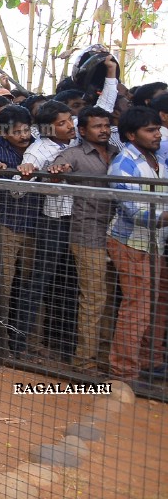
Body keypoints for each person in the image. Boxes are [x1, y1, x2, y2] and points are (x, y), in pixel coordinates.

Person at [52, 106, 119, 372]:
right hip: (87, 232)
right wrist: (58, 168)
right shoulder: (74, 154)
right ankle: (84, 361)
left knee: (110, 297)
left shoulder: (117, 153)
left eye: (106, 125)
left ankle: (105, 357)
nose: (103, 130)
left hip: (115, 233)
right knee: (93, 298)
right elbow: (54, 167)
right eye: (97, 126)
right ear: (82, 131)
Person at [105, 106, 168, 383]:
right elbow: (134, 212)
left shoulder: (158, 161)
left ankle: (150, 361)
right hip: (131, 242)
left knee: (154, 304)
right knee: (138, 306)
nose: (157, 134)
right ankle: (124, 371)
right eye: (150, 130)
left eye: (158, 129)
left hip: (155, 243)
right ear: (131, 134)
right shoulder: (123, 164)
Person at [13, 100, 76, 360]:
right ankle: (19, 343)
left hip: (82, 220)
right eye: (62, 123)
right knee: (40, 280)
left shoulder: (76, 140)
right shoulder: (37, 151)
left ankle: (65, 345)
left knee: (69, 284)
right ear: (49, 129)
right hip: (54, 220)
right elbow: (16, 189)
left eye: (70, 119)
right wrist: (30, 175)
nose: (70, 125)